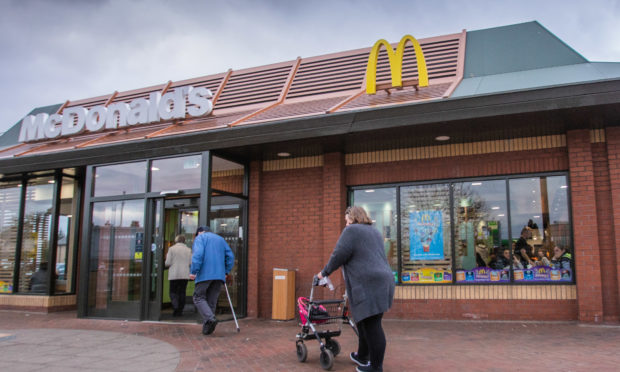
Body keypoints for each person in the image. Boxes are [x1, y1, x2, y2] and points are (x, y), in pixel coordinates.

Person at [317, 206, 395, 372]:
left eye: (346, 221)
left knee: (372, 325)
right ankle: (362, 355)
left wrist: (323, 273)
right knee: (364, 321)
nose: (346, 225)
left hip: (369, 282)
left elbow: (338, 254)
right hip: (383, 281)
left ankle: (375, 367)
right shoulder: (374, 232)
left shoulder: (352, 231)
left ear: (353, 218)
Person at [190, 226, 234, 335]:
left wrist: (194, 271)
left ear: (199, 232)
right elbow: (230, 257)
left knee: (198, 297)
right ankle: (207, 329)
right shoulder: (220, 239)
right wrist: (226, 271)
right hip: (219, 275)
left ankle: (210, 318)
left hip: (205, 274)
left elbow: (198, 254)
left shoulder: (200, 238)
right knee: (211, 300)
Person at [165, 234, 192, 316]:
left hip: (174, 274)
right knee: (182, 292)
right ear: (184, 241)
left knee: (173, 292)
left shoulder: (171, 249)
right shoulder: (188, 249)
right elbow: (191, 263)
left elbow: (168, 263)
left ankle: (175, 306)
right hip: (184, 274)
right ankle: (180, 310)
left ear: (176, 240)